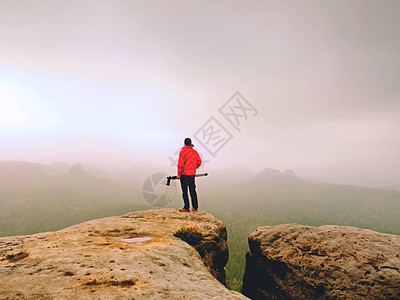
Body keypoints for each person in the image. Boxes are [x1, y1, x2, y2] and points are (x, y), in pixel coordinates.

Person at [177, 138, 202, 212]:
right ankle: (195, 207)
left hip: (184, 174)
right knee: (192, 191)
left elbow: (180, 164)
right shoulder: (194, 152)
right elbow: (199, 162)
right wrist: (193, 167)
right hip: (192, 174)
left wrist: (179, 174)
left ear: (184, 143)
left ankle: (186, 207)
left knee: (185, 191)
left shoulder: (182, 152)